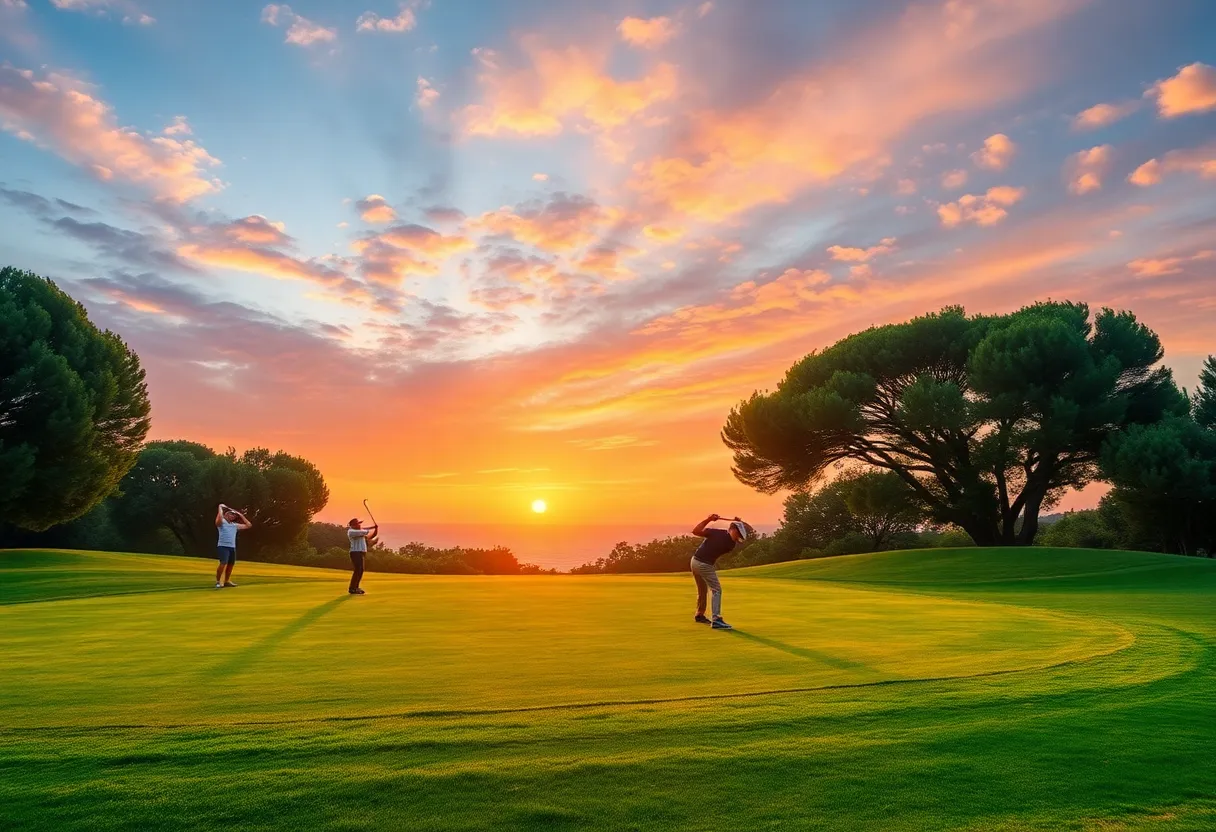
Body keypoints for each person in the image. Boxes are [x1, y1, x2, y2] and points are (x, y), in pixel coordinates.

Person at [690, 513, 747, 630]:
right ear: (732, 529)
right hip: (702, 564)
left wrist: (710, 519)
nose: (737, 538)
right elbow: (695, 531)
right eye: (737, 534)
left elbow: (697, 531)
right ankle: (716, 619)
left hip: (695, 562)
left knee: (702, 590)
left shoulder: (730, 544)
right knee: (717, 590)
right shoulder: (722, 537)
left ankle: (699, 614)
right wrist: (708, 519)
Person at [215, 504, 252, 588]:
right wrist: (220, 508)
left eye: (234, 515)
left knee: (231, 564)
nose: (233, 516)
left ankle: (226, 581)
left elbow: (248, 525)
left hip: (232, 547)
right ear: (226, 515)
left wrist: (240, 515)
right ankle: (218, 581)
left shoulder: (234, 525)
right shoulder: (222, 522)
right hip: (223, 546)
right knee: (223, 563)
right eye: (231, 514)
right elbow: (219, 519)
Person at [347, 517, 378, 595]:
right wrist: (372, 527)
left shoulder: (359, 532)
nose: (360, 525)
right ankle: (353, 588)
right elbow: (366, 531)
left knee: (360, 570)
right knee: (358, 570)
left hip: (360, 553)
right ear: (353, 525)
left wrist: (376, 529)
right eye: (358, 523)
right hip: (355, 553)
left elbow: (371, 535)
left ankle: (355, 587)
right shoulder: (351, 532)